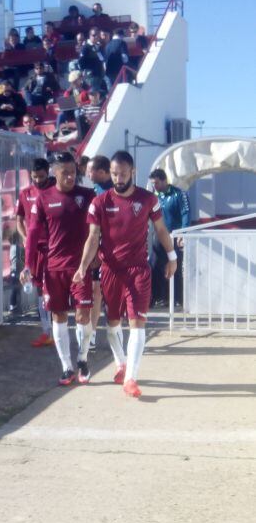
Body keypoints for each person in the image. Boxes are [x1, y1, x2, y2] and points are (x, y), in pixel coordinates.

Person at [75, 151, 176, 398]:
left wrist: (172, 257)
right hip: (110, 269)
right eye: (114, 174)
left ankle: (130, 378)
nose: (118, 178)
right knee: (112, 325)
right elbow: (92, 237)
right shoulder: (100, 202)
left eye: (122, 173)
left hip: (138, 269)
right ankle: (121, 363)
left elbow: (161, 230)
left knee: (137, 323)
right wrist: (82, 266)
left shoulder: (149, 199)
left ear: (133, 172)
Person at [22, 152, 96, 386]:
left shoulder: (87, 196)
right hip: (53, 269)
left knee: (83, 315)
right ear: (55, 173)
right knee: (59, 315)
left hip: (80, 268)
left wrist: (98, 255)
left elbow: (98, 230)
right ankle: (66, 367)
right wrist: (27, 263)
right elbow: (32, 233)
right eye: (65, 172)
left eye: (73, 172)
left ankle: (82, 359)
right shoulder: (43, 199)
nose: (71, 176)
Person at [16, 158, 56, 347]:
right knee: (40, 288)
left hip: (55, 247)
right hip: (34, 249)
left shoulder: (55, 191)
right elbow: (19, 219)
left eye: (41, 176)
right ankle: (46, 331)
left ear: (48, 173)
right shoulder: (25, 193)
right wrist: (25, 238)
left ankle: (57, 330)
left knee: (55, 288)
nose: (38, 180)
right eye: (35, 177)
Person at [149, 168, 189, 306]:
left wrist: (182, 234)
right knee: (154, 266)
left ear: (165, 180)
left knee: (174, 268)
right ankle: (159, 297)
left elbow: (185, 214)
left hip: (174, 236)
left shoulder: (179, 194)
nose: (155, 186)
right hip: (159, 237)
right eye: (153, 183)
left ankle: (178, 298)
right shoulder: (154, 196)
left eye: (157, 183)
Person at [85, 155, 113, 348]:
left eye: (91, 170)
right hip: (96, 250)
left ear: (102, 171)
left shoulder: (118, 191)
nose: (87, 173)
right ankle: (92, 334)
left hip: (115, 252)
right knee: (95, 292)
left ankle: (116, 334)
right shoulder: (90, 193)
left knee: (112, 295)